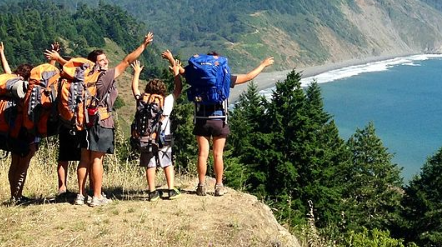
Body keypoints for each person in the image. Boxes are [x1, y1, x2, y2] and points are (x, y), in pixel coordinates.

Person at [46, 32, 153, 207]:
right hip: (101, 121)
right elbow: (126, 61)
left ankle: (80, 195)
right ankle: (96, 196)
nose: (106, 62)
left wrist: (58, 59)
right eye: (102, 60)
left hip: (82, 120)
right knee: (97, 159)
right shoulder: (104, 76)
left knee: (84, 159)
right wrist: (143, 45)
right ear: (95, 63)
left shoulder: (82, 77)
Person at [192, 54, 274, 196]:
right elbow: (249, 76)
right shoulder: (224, 77)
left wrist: (171, 60)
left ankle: (201, 186)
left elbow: (180, 71)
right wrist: (263, 64)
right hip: (219, 119)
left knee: (202, 154)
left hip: (202, 118)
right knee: (218, 155)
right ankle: (218, 186)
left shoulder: (197, 76)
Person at [0, 39, 38, 204]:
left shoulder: (11, 87)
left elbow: (7, 71)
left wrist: (1, 53)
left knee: (14, 163)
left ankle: (14, 195)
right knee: (23, 166)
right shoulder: (25, 90)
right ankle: (18, 196)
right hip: (24, 133)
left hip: (11, 132)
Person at [131, 50, 183, 200]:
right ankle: (171, 189)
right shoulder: (166, 101)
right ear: (162, 90)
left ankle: (152, 192)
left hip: (146, 136)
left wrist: (136, 73)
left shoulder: (142, 99)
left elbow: (134, 88)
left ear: (148, 89)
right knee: (167, 161)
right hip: (163, 136)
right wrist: (175, 71)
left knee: (150, 163)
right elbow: (178, 89)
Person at [45, 42, 83, 202]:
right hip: (79, 123)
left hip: (63, 123)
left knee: (63, 157)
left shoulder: (58, 80)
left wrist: (53, 57)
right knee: (84, 157)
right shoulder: (79, 80)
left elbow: (47, 74)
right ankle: (83, 189)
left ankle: (62, 188)